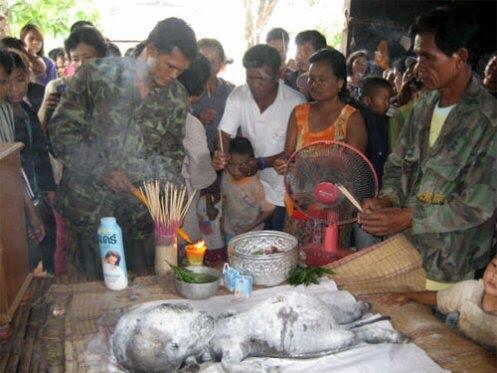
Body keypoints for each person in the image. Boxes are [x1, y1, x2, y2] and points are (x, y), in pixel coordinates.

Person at [358, 7, 497, 289]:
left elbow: (478, 204)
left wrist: (409, 217)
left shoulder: (487, 120)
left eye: (427, 57)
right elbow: (398, 164)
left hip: (452, 266)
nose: (419, 66)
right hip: (407, 254)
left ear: (460, 58)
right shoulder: (423, 107)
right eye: (418, 56)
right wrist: (386, 200)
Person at [49, 17, 197, 277]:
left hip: (138, 221)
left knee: (138, 296)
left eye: (180, 71)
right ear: (151, 50)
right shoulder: (95, 76)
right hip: (88, 214)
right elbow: (60, 132)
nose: (173, 75)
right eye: (170, 66)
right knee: (89, 300)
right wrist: (101, 169)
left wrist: (168, 200)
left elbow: (172, 154)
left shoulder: (176, 96)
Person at [273, 48, 367, 251]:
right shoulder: (299, 113)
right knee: (295, 264)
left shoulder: (351, 118)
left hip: (334, 211)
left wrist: (310, 166)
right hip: (298, 205)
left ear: (340, 82)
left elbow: (354, 170)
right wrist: (283, 163)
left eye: (322, 79)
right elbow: (288, 155)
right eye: (311, 78)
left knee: (327, 269)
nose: (314, 84)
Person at [213, 44, 305, 232]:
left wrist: (261, 162)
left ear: (279, 74)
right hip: (252, 187)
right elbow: (224, 132)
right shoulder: (238, 96)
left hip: (284, 188)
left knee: (278, 240)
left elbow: (297, 151)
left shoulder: (295, 102)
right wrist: (221, 154)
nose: (255, 85)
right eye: (250, 78)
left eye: (263, 79)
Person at [379, 254, 497, 348]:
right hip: (460, 349)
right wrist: (410, 295)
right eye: (494, 266)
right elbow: (438, 298)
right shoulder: (469, 290)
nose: (495, 276)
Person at [7, 51, 56, 274]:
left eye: (19, 80)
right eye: (5, 82)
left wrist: (49, 189)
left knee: (44, 247)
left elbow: (40, 150)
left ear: (28, 77)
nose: (13, 88)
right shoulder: (4, 114)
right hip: (15, 199)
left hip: (36, 193)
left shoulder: (26, 109)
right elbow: (11, 170)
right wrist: (32, 212)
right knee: (23, 257)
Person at [177, 53, 218, 245]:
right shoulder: (192, 124)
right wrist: (215, 176)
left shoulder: (159, 111)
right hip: (181, 201)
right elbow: (201, 175)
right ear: (202, 87)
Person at [38, 26, 108, 134]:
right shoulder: (57, 86)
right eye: (75, 59)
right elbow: (39, 133)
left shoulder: (112, 87)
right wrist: (46, 110)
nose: (81, 64)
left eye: (88, 58)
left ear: (101, 58)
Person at [221, 137, 274, 242]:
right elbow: (225, 198)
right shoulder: (225, 175)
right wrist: (222, 221)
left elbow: (269, 210)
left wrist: (249, 227)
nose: (236, 171)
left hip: (253, 235)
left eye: (242, 165)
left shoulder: (255, 184)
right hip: (230, 232)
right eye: (231, 164)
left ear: (251, 162)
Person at [191, 38, 234, 153]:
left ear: (221, 63)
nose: (207, 66)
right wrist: (198, 119)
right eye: (202, 60)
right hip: (192, 160)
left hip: (221, 159)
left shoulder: (229, 92)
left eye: (212, 61)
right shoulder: (186, 91)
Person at [359, 76, 391, 183]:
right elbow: (378, 152)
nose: (388, 104)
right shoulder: (370, 120)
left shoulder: (380, 120)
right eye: (384, 99)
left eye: (389, 99)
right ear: (367, 101)